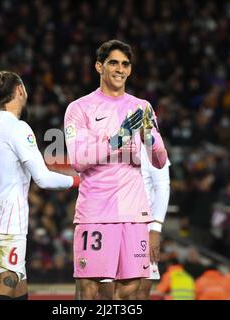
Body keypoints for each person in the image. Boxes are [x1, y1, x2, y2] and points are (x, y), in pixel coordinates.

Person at [0, 69, 79, 300]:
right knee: (2, 289)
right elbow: (42, 178)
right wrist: (78, 180)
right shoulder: (18, 128)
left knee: (18, 290)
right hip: (7, 228)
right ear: (20, 90)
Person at [64, 40, 167, 300]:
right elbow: (78, 159)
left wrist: (149, 136)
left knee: (132, 290)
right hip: (96, 212)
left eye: (125, 64)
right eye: (113, 63)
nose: (120, 69)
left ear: (130, 70)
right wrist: (118, 139)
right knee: (89, 288)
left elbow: (160, 160)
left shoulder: (142, 106)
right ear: (99, 66)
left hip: (134, 212)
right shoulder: (79, 108)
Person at [136, 146, 171, 299]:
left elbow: (162, 187)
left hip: (144, 227)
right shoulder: (110, 141)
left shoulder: (151, 146)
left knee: (142, 290)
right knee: (110, 290)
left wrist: (155, 229)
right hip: (114, 222)